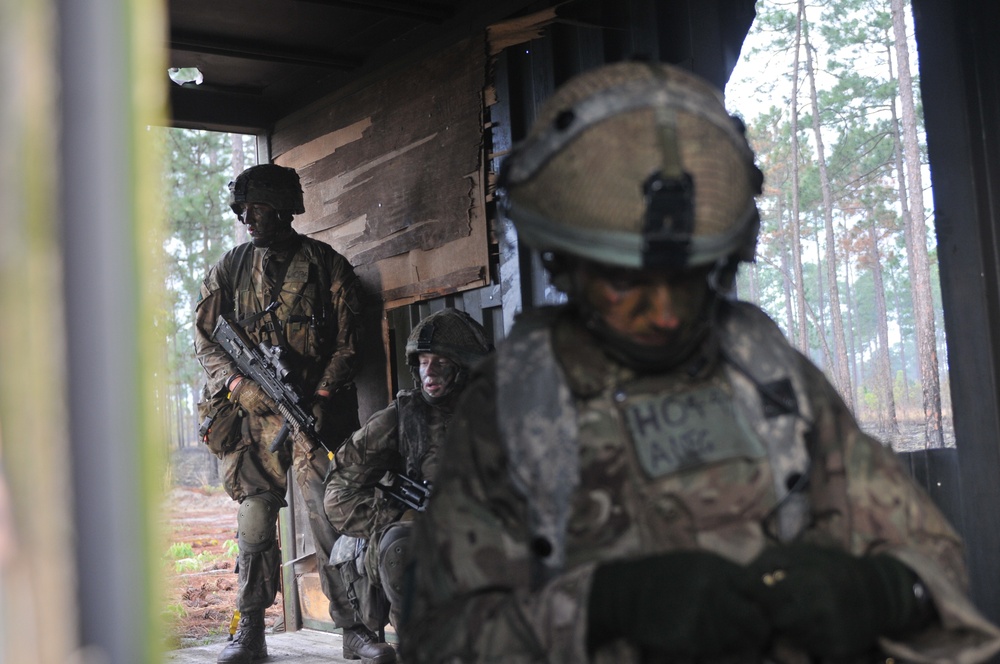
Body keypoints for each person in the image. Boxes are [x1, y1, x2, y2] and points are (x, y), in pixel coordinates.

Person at [399, 62, 1000, 664]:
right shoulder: (515, 403)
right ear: (567, 266)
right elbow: (440, 638)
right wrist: (604, 605)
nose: (665, 314)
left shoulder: (764, 368)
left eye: (690, 280)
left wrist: (888, 590)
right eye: (627, 282)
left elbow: (928, 549)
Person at [194, 164, 394, 664]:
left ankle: (356, 629)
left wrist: (323, 396)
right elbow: (206, 337)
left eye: (256, 208)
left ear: (284, 209)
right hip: (252, 422)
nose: (247, 217)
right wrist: (239, 385)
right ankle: (250, 632)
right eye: (243, 209)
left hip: (312, 413)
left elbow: (351, 343)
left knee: (333, 520)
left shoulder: (328, 266)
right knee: (256, 523)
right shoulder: (229, 268)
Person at [324, 308, 493, 633]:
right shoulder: (400, 418)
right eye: (423, 361)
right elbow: (337, 494)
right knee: (401, 550)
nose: (429, 373)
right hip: (416, 538)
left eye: (440, 363)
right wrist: (397, 515)